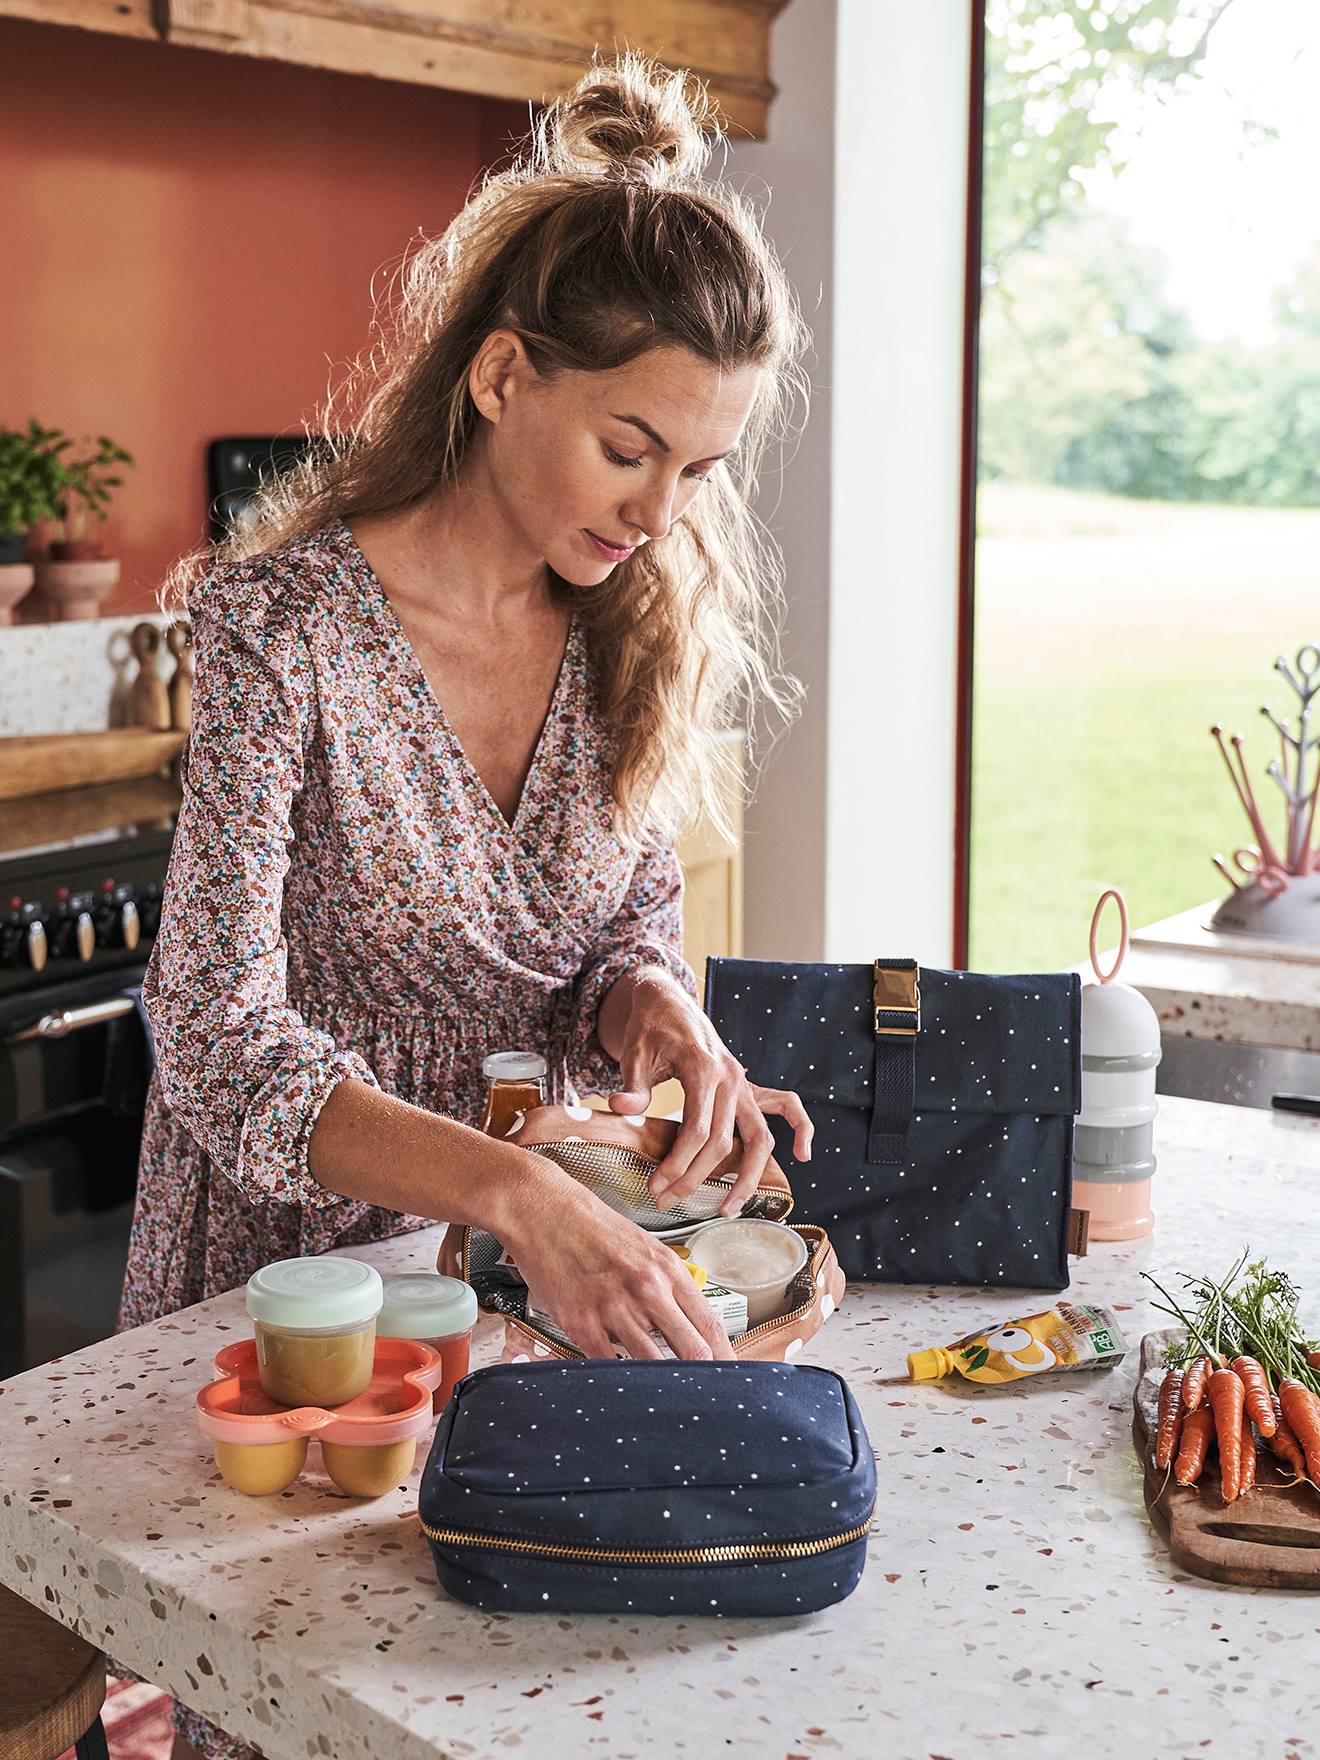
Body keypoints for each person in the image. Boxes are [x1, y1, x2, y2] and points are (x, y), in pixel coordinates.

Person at [118, 52, 814, 1760]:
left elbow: (619, 925)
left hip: (520, 1288)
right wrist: (512, 1189)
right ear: (505, 373)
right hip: (297, 1304)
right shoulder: (281, 623)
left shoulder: (627, 629)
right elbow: (212, 1031)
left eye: (703, 471)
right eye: (629, 446)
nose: (660, 515)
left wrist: (666, 1014)